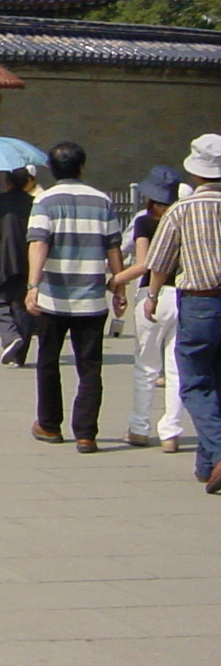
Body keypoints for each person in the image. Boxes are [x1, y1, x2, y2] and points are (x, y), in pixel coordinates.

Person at [24, 141, 124, 452]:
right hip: (92, 298)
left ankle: (50, 425)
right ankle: (86, 433)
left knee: (49, 361)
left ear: (52, 170)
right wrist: (119, 286)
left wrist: (32, 286)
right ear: (82, 167)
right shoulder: (102, 200)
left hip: (54, 296)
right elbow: (113, 246)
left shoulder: (45, 201)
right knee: (90, 366)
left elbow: (38, 243)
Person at [140, 135, 221, 491]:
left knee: (195, 381)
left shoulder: (182, 210)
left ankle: (217, 451)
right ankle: (206, 464)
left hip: (201, 301)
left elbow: (160, 261)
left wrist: (153, 294)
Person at [109, 165, 190, 452]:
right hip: (183, 294)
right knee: (176, 367)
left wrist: (115, 280)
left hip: (153, 294)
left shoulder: (146, 222)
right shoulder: (185, 217)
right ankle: (171, 431)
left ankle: (139, 427)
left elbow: (145, 263)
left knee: (145, 365)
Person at [0, 167, 37, 365]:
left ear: (8, 182)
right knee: (22, 305)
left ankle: (11, 336)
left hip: (2, 260)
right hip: (30, 260)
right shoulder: (34, 204)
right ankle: (20, 355)